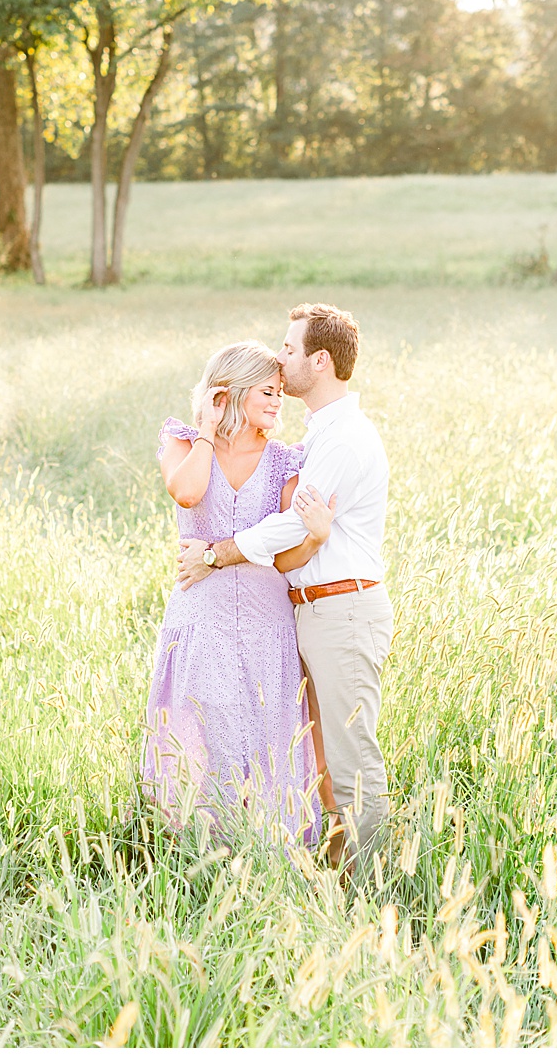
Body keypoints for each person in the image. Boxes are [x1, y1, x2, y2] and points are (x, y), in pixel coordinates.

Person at [176, 303, 391, 879]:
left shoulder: (341, 440)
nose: (283, 356)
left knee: (349, 758)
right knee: (322, 757)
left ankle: (378, 887)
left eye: (291, 350)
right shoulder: (321, 434)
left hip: (342, 608)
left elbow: (294, 525)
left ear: (320, 362)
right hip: (315, 610)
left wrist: (217, 553)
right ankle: (341, 873)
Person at [146, 341, 337, 848]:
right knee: (207, 738)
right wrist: (209, 429)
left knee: (266, 740)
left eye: (281, 393)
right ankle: (202, 853)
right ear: (229, 391)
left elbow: (283, 555)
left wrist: (315, 538)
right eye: (268, 392)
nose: (279, 402)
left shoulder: (283, 461)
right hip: (200, 620)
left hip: (265, 624)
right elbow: (187, 493)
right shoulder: (182, 441)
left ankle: (269, 854)